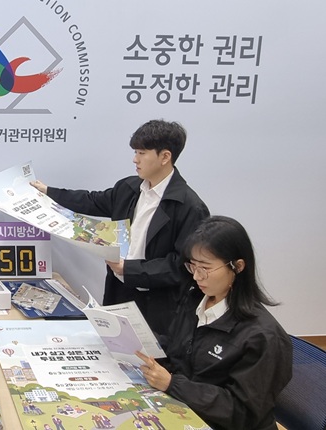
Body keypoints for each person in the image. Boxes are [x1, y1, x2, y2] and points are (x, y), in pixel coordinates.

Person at [30, 120, 209, 336]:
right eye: (135, 152)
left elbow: (181, 266)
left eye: (142, 153)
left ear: (165, 157)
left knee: (149, 355)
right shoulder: (129, 188)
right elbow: (91, 200)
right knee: (114, 346)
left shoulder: (189, 206)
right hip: (119, 292)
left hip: (158, 305)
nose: (135, 159)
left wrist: (129, 269)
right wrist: (48, 192)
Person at [135, 216, 292, 430]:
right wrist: (142, 342)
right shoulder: (195, 300)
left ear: (237, 266)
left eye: (205, 268)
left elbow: (243, 412)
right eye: (192, 266)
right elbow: (179, 352)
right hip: (186, 410)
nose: (197, 277)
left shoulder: (262, 336)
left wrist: (173, 384)